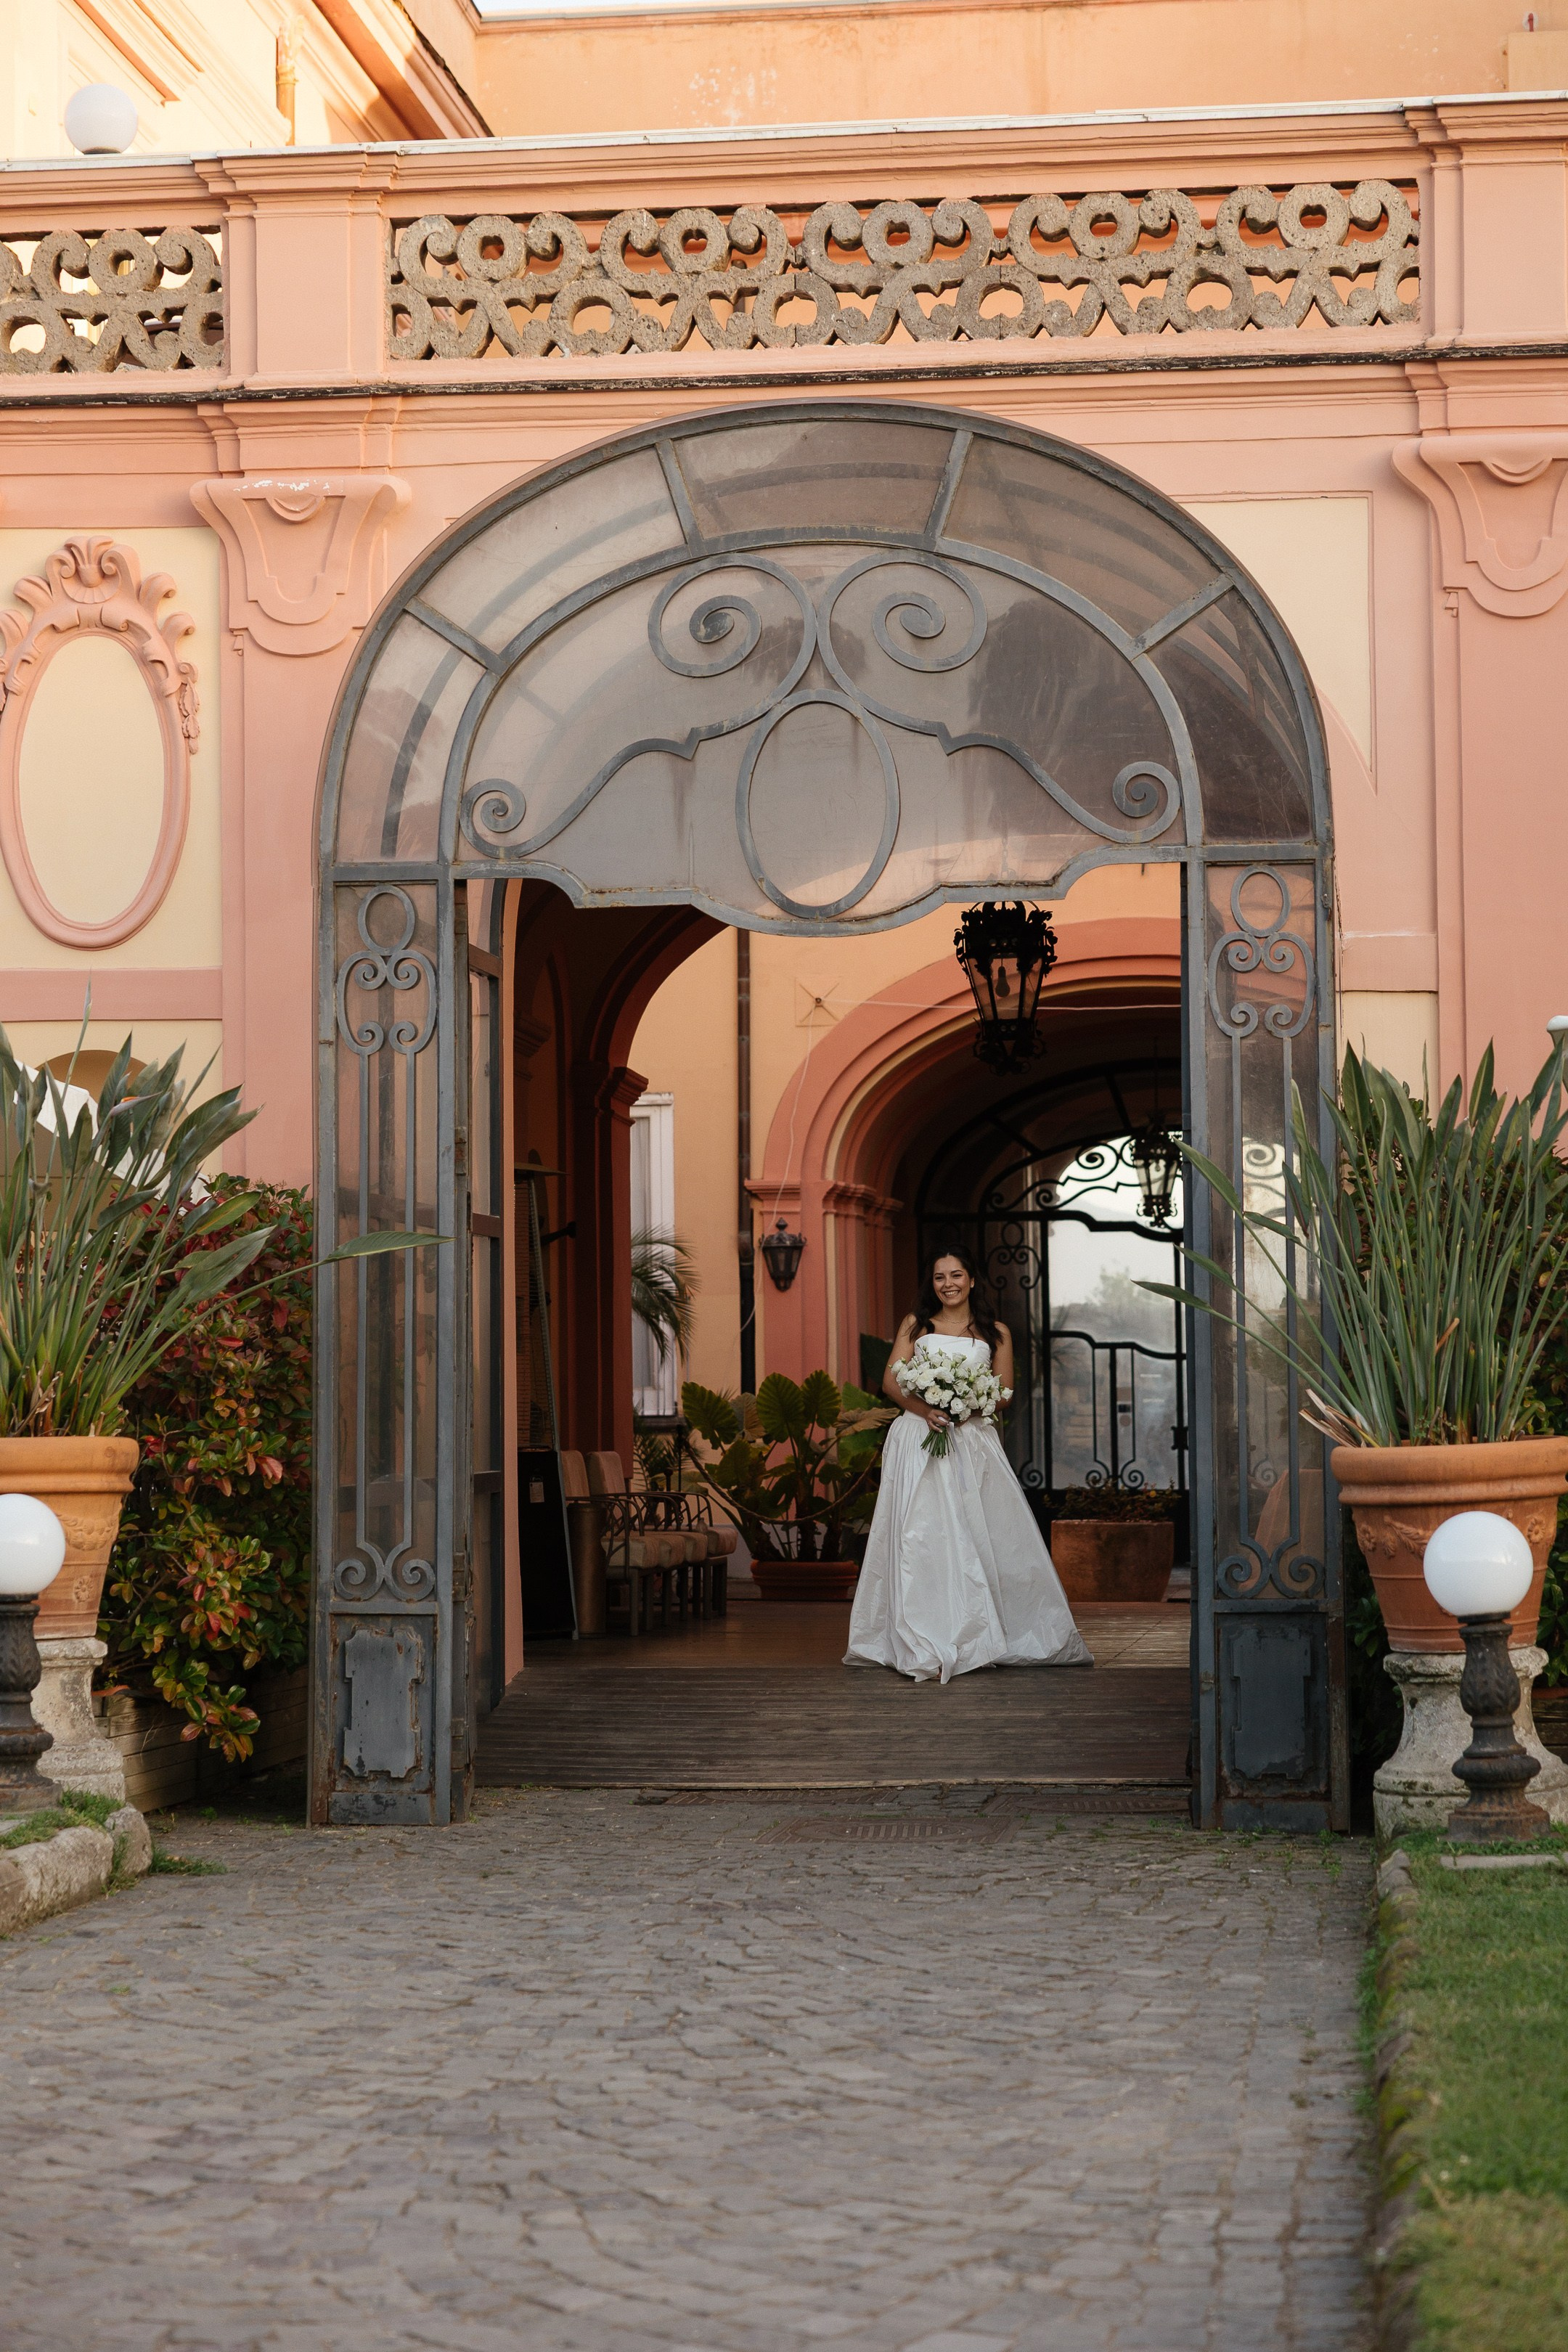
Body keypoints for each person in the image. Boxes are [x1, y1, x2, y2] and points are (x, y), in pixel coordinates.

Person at [845, 1244, 1092, 1683]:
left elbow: (1004, 1392)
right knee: (920, 1533)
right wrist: (928, 1410)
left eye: (956, 1276)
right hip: (919, 1438)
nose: (948, 1284)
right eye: (940, 1278)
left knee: (974, 1532)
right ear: (932, 1284)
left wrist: (966, 1407)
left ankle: (977, 1632)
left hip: (971, 1441)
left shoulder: (995, 1332)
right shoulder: (916, 1325)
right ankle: (922, 1636)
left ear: (972, 1280)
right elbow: (890, 1381)